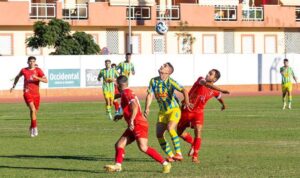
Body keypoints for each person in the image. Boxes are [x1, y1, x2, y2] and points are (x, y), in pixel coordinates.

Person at [104, 75, 171, 173]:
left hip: (138, 123)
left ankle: (165, 164)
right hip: (134, 123)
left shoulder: (127, 93)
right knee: (119, 144)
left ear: (119, 85)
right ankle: (118, 166)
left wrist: (131, 120)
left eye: (116, 85)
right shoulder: (126, 92)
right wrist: (122, 115)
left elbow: (135, 107)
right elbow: (128, 105)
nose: (115, 86)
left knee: (143, 147)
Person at [177, 69, 230, 164]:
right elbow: (206, 84)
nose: (207, 74)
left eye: (210, 74)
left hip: (198, 113)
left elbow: (219, 96)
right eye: (208, 72)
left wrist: (223, 104)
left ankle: (195, 157)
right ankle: (194, 143)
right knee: (179, 132)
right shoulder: (201, 80)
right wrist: (221, 89)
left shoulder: (214, 90)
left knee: (198, 131)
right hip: (186, 110)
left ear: (214, 79)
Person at [144, 62, 192, 162]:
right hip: (162, 112)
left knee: (170, 128)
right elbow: (149, 95)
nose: (162, 65)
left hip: (174, 109)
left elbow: (184, 90)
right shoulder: (153, 81)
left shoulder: (171, 82)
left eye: (165, 66)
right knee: (159, 134)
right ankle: (171, 155)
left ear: (168, 72)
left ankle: (179, 153)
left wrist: (186, 102)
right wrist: (147, 108)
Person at [10, 56, 48, 137]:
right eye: (30, 61)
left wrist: (37, 77)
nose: (32, 63)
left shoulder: (38, 70)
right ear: (28, 62)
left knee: (34, 112)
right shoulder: (24, 70)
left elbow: (46, 80)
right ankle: (35, 128)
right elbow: (17, 77)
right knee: (32, 109)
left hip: (36, 94)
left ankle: (31, 127)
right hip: (27, 92)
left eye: (33, 61)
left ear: (35, 62)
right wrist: (13, 86)